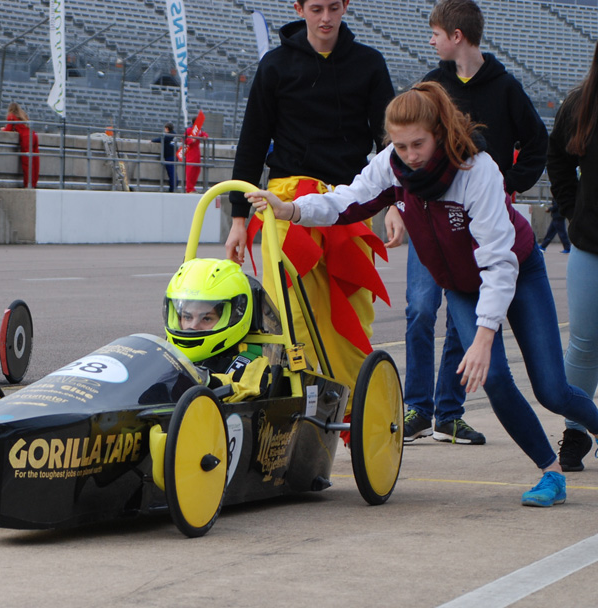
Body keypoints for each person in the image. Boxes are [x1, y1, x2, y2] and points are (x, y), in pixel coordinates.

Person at [247, 81, 598, 507]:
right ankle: (551, 472)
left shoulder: (476, 170)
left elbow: (498, 262)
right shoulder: (391, 165)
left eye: (418, 144)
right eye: (400, 146)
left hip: (517, 272)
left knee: (552, 391)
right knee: (495, 379)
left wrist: (485, 335)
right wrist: (291, 210)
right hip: (463, 286)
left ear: (439, 133)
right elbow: (347, 201)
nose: (410, 155)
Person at [386, 0, 549, 446]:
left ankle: (449, 412)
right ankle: (418, 407)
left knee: (465, 320)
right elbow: (398, 154)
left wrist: (507, 185)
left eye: (436, 33)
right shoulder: (430, 86)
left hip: (476, 220)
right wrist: (395, 203)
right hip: (429, 215)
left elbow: (537, 142)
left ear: (456, 36)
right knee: (421, 309)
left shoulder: (506, 88)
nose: (430, 41)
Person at [224, 0, 395, 407]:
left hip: (350, 203)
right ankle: (292, 408)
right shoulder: (275, 66)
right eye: (316, 8)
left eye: (334, 7)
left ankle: (355, 412)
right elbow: (251, 143)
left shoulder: (370, 65)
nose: (326, 18)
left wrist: (397, 205)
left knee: (352, 314)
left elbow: (391, 144)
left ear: (346, 6)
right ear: (299, 8)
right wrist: (237, 219)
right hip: (286, 202)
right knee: (288, 315)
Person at [547, 41, 598, 471]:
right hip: (590, 245)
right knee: (582, 344)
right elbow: (558, 161)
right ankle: (576, 431)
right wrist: (571, 210)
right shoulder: (581, 103)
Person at [163, 257, 271, 400]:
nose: (193, 326)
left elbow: (242, 388)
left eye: (206, 318)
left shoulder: (251, 362)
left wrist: (203, 379)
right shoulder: (166, 354)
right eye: (187, 317)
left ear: (232, 318)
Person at [1, 102, 40, 188]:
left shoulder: (11, 116)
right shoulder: (23, 115)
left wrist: (3, 129)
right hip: (33, 135)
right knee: (35, 161)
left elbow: (8, 129)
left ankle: (28, 184)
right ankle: (34, 183)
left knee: (27, 163)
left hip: (26, 138)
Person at [151, 123, 178, 192]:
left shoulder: (169, 135)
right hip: (174, 155)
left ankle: (172, 188)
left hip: (170, 156)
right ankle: (174, 186)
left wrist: (152, 140)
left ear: (167, 128)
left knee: (171, 173)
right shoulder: (174, 135)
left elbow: (161, 139)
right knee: (173, 172)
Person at [183, 122, 208, 193]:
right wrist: (191, 140)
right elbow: (184, 139)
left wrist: (205, 136)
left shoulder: (198, 130)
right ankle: (189, 188)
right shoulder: (189, 130)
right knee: (190, 171)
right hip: (190, 153)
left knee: (196, 170)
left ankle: (192, 187)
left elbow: (204, 134)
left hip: (196, 153)